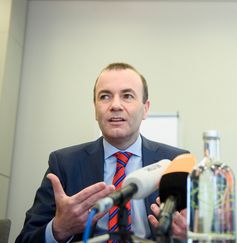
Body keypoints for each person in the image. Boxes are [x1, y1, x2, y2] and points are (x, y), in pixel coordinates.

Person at [16, 62, 189, 242]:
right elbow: (25, 239)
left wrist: (188, 236)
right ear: (95, 109)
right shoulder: (64, 163)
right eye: (105, 96)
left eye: (127, 96)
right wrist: (59, 228)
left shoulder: (176, 161)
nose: (115, 105)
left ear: (145, 109)